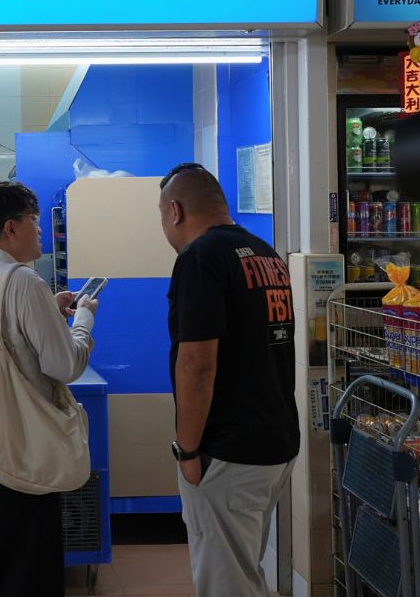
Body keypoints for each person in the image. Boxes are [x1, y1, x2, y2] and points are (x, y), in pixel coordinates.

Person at [0, 180, 98, 597]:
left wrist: (51, 309)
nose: (40, 229)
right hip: (19, 432)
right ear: (10, 228)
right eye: (33, 220)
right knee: (26, 560)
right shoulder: (25, 283)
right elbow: (66, 365)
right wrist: (82, 319)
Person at [158, 162, 299, 597]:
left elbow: (197, 364)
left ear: (175, 211)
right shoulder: (265, 254)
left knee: (226, 584)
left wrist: (187, 449)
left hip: (228, 450)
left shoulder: (199, 259)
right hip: (274, 440)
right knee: (243, 571)